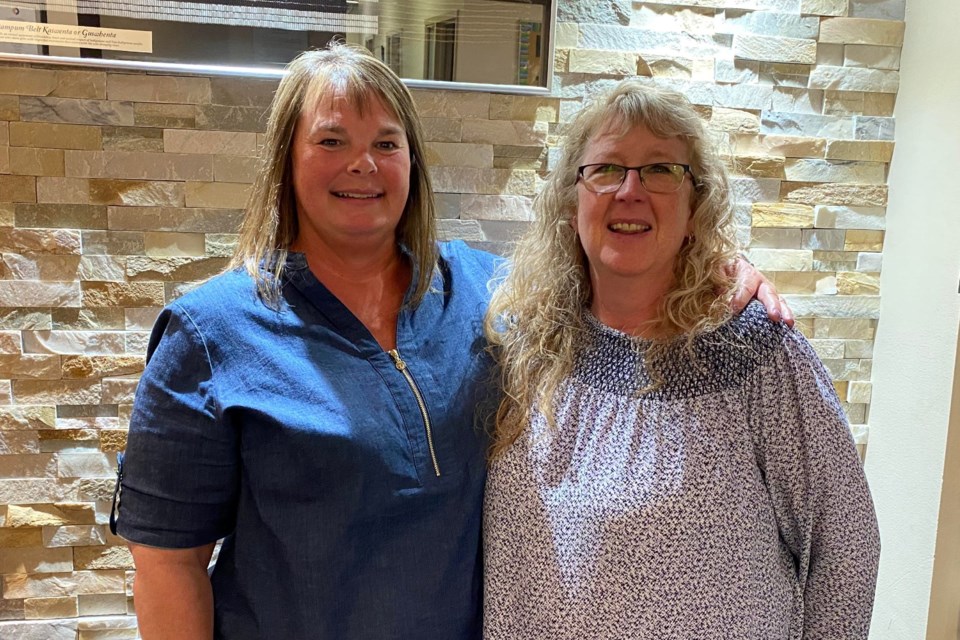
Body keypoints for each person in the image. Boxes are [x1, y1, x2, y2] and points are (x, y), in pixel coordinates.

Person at [112, 45, 790, 639]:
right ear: (285, 161)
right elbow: (167, 564)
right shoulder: (210, 334)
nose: (363, 165)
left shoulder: (490, 294)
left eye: (385, 142)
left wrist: (721, 271)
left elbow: (621, 277)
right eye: (331, 141)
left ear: (412, 162)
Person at [483, 80, 880, 639]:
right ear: (571, 205)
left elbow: (847, 545)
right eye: (606, 169)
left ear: (696, 209)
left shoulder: (756, 353)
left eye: (661, 170)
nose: (630, 190)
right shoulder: (522, 346)